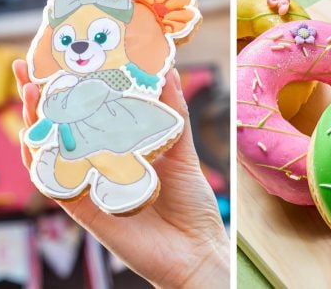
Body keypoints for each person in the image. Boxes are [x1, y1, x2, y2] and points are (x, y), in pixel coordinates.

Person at [12, 60, 230, 288]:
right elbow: (41, 132)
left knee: (121, 168)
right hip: (78, 160)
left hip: (110, 160)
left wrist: (200, 263)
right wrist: (199, 263)